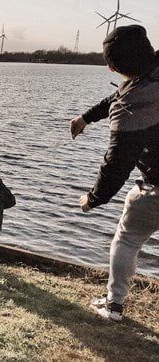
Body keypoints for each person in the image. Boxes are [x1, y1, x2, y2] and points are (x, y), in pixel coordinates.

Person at [69, 25, 159, 321]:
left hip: (156, 188)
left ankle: (114, 305)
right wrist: (86, 117)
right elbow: (119, 95)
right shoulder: (149, 77)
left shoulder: (131, 108)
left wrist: (92, 199)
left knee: (128, 238)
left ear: (111, 66)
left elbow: (116, 164)